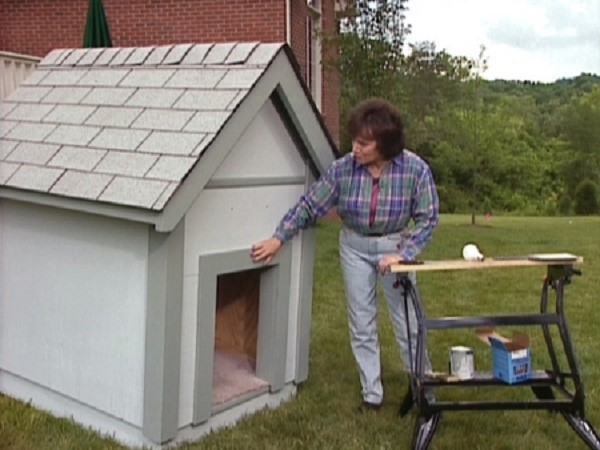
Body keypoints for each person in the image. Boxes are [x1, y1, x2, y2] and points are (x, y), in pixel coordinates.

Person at [251, 98, 439, 412]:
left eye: (364, 143)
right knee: (361, 322)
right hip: (354, 247)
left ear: (385, 143)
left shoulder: (415, 169)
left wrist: (404, 254)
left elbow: (428, 218)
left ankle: (423, 389)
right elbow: (311, 205)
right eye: (354, 140)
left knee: (407, 322)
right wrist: (278, 238)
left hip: (395, 248)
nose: (355, 148)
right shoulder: (343, 170)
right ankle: (372, 395)